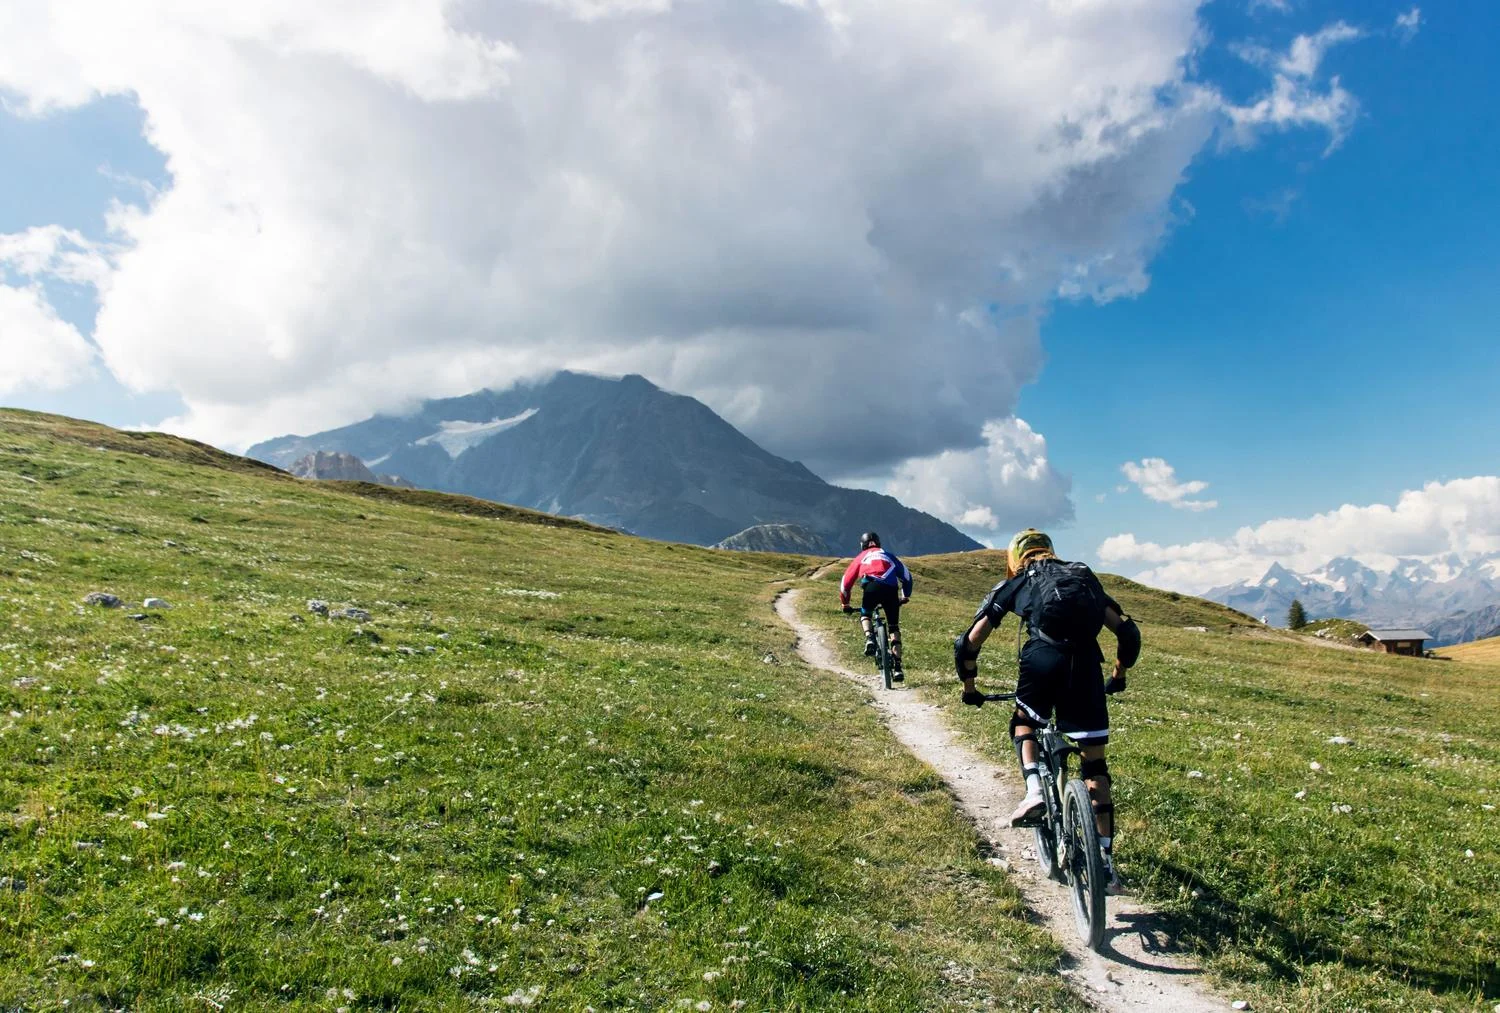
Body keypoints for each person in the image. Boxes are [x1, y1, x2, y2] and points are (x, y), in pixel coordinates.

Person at [952, 528, 1140, 886]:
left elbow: (969, 642)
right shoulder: (1083, 577)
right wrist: (1118, 675)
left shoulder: (1020, 580)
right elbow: (1128, 632)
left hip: (1043, 658)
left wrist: (970, 687)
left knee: (1024, 721)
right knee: (1095, 765)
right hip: (1085, 666)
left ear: (1014, 558)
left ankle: (1035, 790)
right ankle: (1104, 861)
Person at [838, 531, 913, 681]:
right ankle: (898, 667)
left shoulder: (861, 557)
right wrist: (905, 596)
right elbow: (907, 577)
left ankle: (869, 638)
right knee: (893, 627)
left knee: (866, 614)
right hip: (891, 591)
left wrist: (845, 603)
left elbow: (845, 583)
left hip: (871, 587)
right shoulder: (889, 555)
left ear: (862, 545)